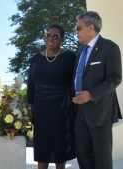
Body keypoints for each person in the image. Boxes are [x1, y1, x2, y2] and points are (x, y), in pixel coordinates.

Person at [72, 11, 122, 169]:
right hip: (79, 112)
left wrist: (91, 94)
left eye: (79, 28)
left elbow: (115, 78)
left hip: (100, 112)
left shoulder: (110, 47)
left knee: (102, 159)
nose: (76, 32)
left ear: (91, 27)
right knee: (84, 157)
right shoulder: (80, 49)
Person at [27, 24, 76, 169]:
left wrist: (74, 111)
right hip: (41, 110)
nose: (51, 38)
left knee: (59, 147)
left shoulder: (70, 57)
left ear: (62, 39)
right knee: (42, 146)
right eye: (48, 35)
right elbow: (31, 84)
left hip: (61, 109)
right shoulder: (36, 58)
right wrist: (30, 106)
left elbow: (75, 84)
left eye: (56, 36)